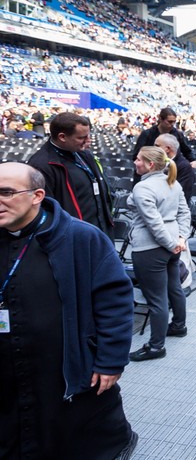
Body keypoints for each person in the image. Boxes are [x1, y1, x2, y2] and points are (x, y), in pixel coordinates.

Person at [0, 162, 136, 459]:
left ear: (37, 195)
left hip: (64, 367)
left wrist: (111, 360)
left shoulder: (81, 237)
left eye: (6, 193)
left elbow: (114, 301)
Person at [128, 147, 191, 361]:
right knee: (174, 287)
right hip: (172, 245)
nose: (135, 162)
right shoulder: (173, 182)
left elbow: (153, 223)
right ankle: (179, 325)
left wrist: (172, 243)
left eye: (138, 159)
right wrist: (180, 239)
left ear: (150, 164)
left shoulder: (143, 187)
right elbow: (184, 214)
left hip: (151, 248)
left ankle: (156, 347)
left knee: (156, 299)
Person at [27, 111, 114, 237]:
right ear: (62, 137)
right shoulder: (42, 165)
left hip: (100, 231)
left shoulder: (83, 154)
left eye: (88, 135)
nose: (88, 140)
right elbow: (44, 210)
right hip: (72, 237)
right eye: (81, 138)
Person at [131, 108, 196, 174]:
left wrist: (194, 160)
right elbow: (137, 155)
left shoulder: (178, 134)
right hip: (148, 172)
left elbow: (187, 150)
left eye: (174, 122)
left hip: (170, 172)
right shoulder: (147, 134)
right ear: (161, 119)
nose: (172, 124)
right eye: (169, 122)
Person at [154, 133, 194, 204]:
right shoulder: (155, 162)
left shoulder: (184, 167)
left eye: (157, 146)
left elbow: (182, 194)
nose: (154, 149)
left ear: (167, 149)